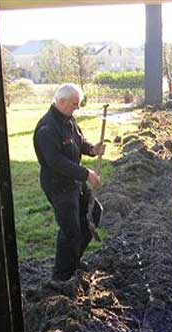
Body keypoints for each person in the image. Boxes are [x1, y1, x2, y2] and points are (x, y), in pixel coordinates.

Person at [33, 83, 105, 281]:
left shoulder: (68, 120)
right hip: (59, 185)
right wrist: (86, 174)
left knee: (93, 213)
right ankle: (61, 277)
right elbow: (55, 161)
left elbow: (78, 142)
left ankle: (73, 260)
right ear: (61, 101)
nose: (77, 108)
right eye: (75, 104)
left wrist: (92, 149)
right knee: (70, 229)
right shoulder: (47, 128)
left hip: (75, 183)